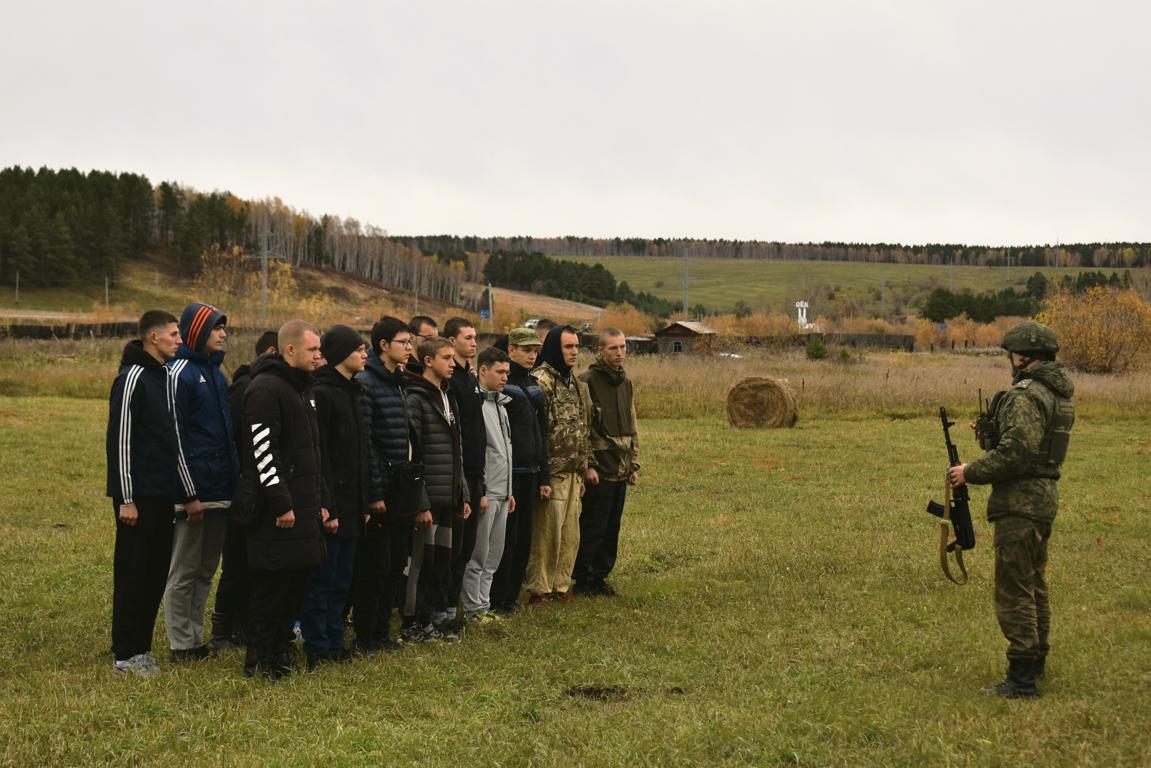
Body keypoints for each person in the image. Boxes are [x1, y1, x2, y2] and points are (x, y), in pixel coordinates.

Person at [948, 321, 1075, 699]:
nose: (1010, 361)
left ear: (1022, 355)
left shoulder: (1026, 394)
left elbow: (1017, 453)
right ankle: (1036, 661)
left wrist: (969, 471)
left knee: (1014, 589)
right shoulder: (1057, 393)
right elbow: (1030, 444)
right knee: (1034, 584)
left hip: (1020, 502)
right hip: (1042, 497)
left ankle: (1021, 679)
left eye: (1011, 354)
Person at [105, 310, 199, 676]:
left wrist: (189, 493)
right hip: (137, 498)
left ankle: (141, 647)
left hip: (163, 495)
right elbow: (120, 440)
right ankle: (125, 654)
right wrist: (126, 498)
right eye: (174, 334)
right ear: (153, 337)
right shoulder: (132, 378)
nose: (179, 340)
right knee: (133, 572)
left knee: (156, 571)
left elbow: (172, 440)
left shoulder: (164, 378)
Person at [241, 319, 328, 680]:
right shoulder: (265, 389)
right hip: (278, 510)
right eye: (312, 350)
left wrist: (320, 500)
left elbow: (312, 453)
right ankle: (259, 659)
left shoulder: (303, 390)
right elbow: (263, 452)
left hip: (305, 506)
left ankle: (279, 651)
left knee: (295, 585)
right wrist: (281, 502)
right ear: (290, 350)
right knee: (271, 588)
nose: (318, 356)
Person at [164, 302, 239, 661]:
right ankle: (182, 643)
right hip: (194, 491)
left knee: (207, 567)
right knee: (185, 568)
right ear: (196, 332)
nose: (223, 334)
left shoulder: (215, 374)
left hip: (220, 490)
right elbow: (174, 436)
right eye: (215, 328)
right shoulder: (178, 374)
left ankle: (196, 638)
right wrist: (187, 493)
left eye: (223, 328)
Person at [300, 325, 369, 669]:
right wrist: (327, 504)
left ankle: (336, 640)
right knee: (322, 581)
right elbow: (322, 454)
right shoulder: (323, 393)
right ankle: (317, 645)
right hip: (332, 502)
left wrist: (366, 500)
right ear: (342, 353)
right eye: (359, 349)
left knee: (343, 579)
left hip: (354, 503)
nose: (365, 354)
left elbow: (360, 453)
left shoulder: (354, 392)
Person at [208, 329, 277, 651]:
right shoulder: (246, 388)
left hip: (262, 488)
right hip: (244, 488)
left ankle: (245, 624)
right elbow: (238, 439)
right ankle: (223, 627)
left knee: (254, 562)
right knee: (237, 561)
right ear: (274, 352)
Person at [354, 316, 419, 653]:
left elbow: (406, 438)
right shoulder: (367, 383)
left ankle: (382, 632)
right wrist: (375, 493)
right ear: (383, 345)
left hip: (403, 485)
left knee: (396, 563)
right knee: (375, 567)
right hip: (383, 489)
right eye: (403, 342)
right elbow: (365, 444)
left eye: (411, 342)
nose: (410, 348)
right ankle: (366, 635)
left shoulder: (399, 381)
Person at [401, 337, 471, 642]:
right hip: (428, 498)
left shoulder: (448, 396)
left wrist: (463, 492)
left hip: (449, 496)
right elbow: (413, 454)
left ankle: (431, 620)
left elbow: (457, 449)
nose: (453, 363)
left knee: (442, 563)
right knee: (421, 565)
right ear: (428, 361)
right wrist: (421, 502)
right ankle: (411, 623)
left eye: (453, 358)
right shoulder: (416, 399)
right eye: (446, 358)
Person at [526, 325, 591, 604]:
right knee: (546, 534)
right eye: (568, 347)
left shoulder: (574, 381)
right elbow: (537, 431)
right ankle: (539, 588)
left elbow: (582, 425)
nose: (574, 352)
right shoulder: (541, 380)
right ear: (554, 348)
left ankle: (561, 586)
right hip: (552, 471)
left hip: (573, 469)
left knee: (570, 534)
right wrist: (541, 474)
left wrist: (584, 466)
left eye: (577, 346)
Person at [573, 328, 639, 597]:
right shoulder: (585, 382)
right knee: (593, 525)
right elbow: (582, 427)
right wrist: (588, 465)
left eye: (623, 347)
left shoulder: (626, 383)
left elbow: (632, 424)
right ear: (600, 351)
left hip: (621, 468)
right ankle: (584, 578)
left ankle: (600, 576)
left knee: (612, 526)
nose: (619, 353)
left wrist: (633, 464)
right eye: (613, 348)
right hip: (599, 468)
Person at [490, 327, 550, 614]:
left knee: (524, 539)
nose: (532, 355)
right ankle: (497, 598)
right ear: (511, 350)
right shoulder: (504, 382)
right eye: (526, 350)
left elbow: (542, 431)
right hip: (510, 473)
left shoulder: (534, 383)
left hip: (531, 471)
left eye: (535, 351)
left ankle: (511, 596)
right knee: (506, 540)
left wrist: (544, 474)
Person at [461, 347, 514, 621]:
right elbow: (479, 452)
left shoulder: (501, 405)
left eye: (507, 372)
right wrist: (479, 491)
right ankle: (473, 609)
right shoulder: (477, 404)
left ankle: (484, 604)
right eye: (499, 371)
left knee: (494, 554)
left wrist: (510, 490)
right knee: (478, 555)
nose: (504, 377)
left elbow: (506, 451)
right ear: (483, 370)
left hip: (503, 492)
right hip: (486, 492)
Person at [443, 316, 486, 630]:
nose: (474, 343)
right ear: (451, 340)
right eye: (468, 337)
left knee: (467, 546)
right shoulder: (451, 380)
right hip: (458, 471)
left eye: (475, 337)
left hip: (475, 469)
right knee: (453, 546)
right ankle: (443, 610)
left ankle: (451, 606)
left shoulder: (470, 378)